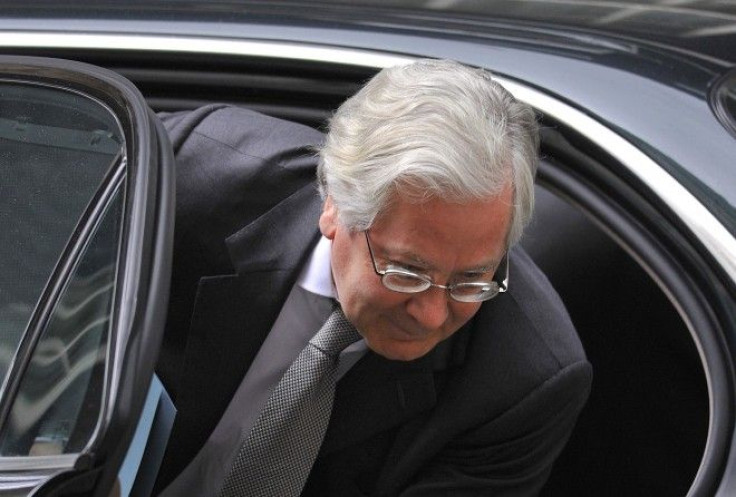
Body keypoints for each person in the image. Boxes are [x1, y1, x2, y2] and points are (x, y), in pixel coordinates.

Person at [154, 59, 592, 496]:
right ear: (333, 208)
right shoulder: (180, 177)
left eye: (471, 279)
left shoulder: (521, 382)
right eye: (408, 272)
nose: (432, 313)